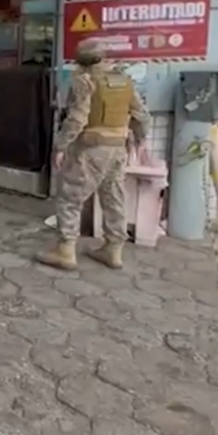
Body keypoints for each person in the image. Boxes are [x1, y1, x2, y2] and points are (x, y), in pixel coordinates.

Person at [38, 38, 150, 271]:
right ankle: (113, 249)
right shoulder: (124, 80)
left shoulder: (84, 81)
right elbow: (140, 115)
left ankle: (65, 251)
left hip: (90, 149)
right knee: (113, 196)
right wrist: (141, 139)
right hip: (118, 148)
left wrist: (60, 145)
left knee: (70, 198)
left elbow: (78, 118)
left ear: (81, 61)